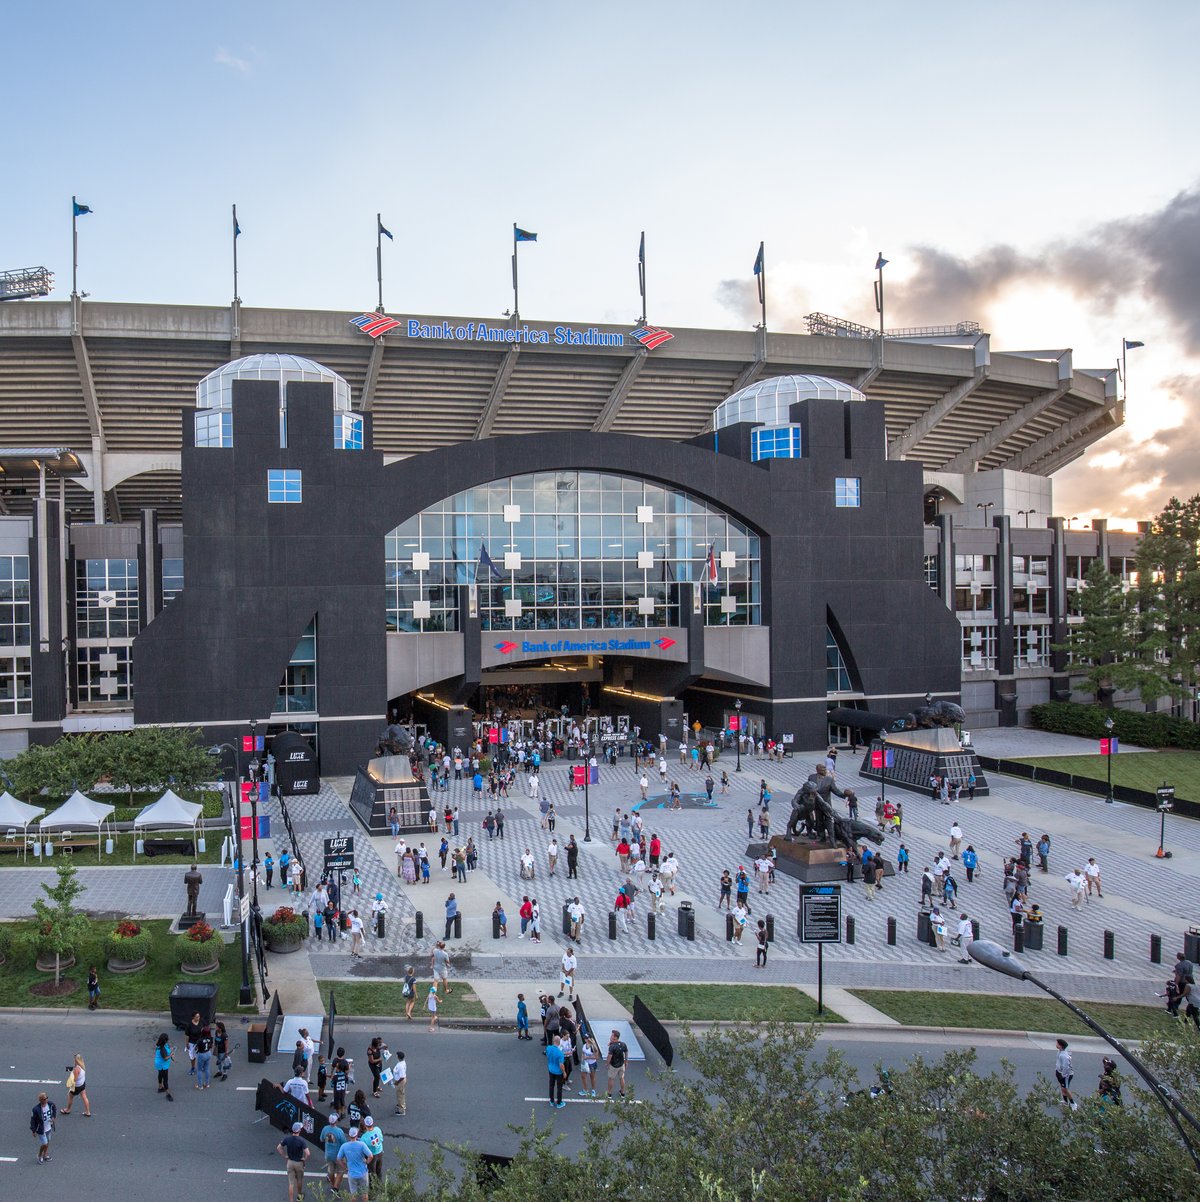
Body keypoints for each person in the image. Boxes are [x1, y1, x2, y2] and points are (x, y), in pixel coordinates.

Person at [277, 1121, 311, 1202]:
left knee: (291, 1183)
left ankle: (291, 1200)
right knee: (299, 1180)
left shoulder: (287, 1139)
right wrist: (304, 1158)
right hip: (299, 1162)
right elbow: (308, 1153)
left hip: (290, 1162)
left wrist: (284, 1155)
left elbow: (279, 1147)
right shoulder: (301, 1141)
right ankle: (299, 1195)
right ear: (299, 1130)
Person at [337, 1127, 373, 1202]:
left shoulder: (344, 1146)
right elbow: (370, 1156)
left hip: (352, 1173)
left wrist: (345, 1167)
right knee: (365, 1193)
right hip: (363, 1172)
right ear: (356, 1136)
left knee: (353, 1194)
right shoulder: (362, 1145)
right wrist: (366, 1162)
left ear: (349, 1136)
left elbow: (338, 1159)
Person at [30, 1090, 56, 1163]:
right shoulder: (36, 1109)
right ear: (41, 1100)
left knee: (47, 1142)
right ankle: (39, 1155)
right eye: (45, 1099)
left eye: (47, 1098)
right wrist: (33, 1130)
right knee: (44, 1143)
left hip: (48, 1127)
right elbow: (32, 1120)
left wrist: (53, 1117)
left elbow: (54, 1109)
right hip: (41, 1129)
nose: (46, 1099)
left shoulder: (50, 1104)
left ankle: (45, 1155)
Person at [546, 1032, 567, 1108]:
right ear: (559, 1042)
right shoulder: (560, 1053)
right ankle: (559, 1102)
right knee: (559, 1087)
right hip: (558, 1072)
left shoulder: (548, 1048)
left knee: (551, 1085)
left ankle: (551, 1101)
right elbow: (561, 1064)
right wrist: (564, 1072)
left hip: (551, 1069)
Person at [1055, 1038, 1077, 1110]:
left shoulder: (1063, 1056)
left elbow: (1066, 1067)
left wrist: (1063, 1075)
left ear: (1060, 1046)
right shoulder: (1060, 1052)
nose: (1056, 1044)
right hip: (1059, 1072)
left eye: (1057, 1043)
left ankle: (1073, 1103)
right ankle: (1065, 1101)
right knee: (1062, 1087)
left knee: (1066, 1089)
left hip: (1065, 1075)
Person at [605, 1030, 628, 1099]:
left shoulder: (612, 1047)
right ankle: (622, 1092)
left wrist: (607, 1063)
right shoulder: (623, 1044)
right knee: (621, 1078)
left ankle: (609, 1093)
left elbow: (610, 1056)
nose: (610, 1036)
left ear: (615, 1037)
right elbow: (626, 1052)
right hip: (621, 1064)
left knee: (611, 1078)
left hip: (614, 1066)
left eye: (612, 1035)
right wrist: (626, 1061)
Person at [154, 1032, 174, 1101]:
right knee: (165, 1079)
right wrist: (171, 1055)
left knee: (160, 1074)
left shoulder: (160, 1045)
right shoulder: (162, 1049)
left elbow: (167, 1049)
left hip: (159, 1063)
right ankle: (168, 1094)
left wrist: (170, 1050)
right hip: (163, 1065)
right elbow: (165, 1058)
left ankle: (160, 1087)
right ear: (165, 1040)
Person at [580, 1032, 600, 1097]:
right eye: (585, 1038)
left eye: (586, 1038)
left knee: (592, 1077)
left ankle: (593, 1090)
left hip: (591, 1064)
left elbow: (596, 1057)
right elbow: (583, 1052)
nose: (585, 1039)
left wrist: (587, 1057)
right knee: (583, 1076)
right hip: (585, 1063)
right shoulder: (584, 1045)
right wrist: (582, 1058)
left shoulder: (593, 1047)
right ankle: (585, 1090)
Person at [391, 1051, 407, 1116]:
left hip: (400, 1081)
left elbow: (402, 1077)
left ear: (398, 1057)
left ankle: (401, 1110)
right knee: (401, 1093)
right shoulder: (402, 1062)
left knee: (400, 1095)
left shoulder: (400, 1066)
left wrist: (396, 1082)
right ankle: (402, 1104)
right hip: (401, 1081)